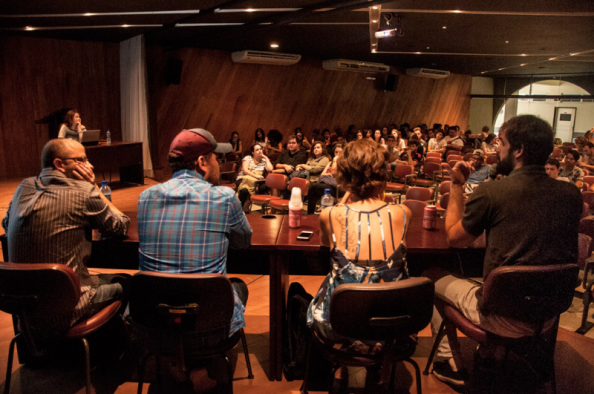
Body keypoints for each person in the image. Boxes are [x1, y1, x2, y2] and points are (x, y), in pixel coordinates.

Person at [424, 115, 583, 387]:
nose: (497, 149)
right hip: (546, 314)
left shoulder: (493, 192)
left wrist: (458, 184)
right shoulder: (571, 195)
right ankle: (492, 354)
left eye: (501, 143)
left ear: (518, 150)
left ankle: (447, 359)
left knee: (433, 276)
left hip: (501, 315)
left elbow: (454, 239)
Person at [138, 128, 252, 391]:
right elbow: (243, 242)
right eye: (216, 159)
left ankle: (181, 366)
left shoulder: (146, 197)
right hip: (209, 331)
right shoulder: (224, 197)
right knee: (236, 289)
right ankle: (199, 367)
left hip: (155, 326)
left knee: (179, 294)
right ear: (202, 162)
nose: (219, 164)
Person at [307, 138, 412, 389]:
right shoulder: (403, 213)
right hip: (393, 327)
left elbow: (325, 247)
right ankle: (378, 366)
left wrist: (350, 193)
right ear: (382, 173)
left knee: (325, 301)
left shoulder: (330, 215)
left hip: (341, 326)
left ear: (343, 175)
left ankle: (335, 371)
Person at [2, 138, 130, 332]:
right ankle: (116, 350)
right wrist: (94, 187)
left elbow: (6, 223)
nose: (90, 165)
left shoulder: (24, 187)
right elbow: (120, 226)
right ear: (59, 164)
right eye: (83, 160)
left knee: (99, 277)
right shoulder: (84, 192)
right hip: (67, 310)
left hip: (26, 310)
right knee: (128, 282)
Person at [307, 143, 344, 214]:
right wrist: (328, 174)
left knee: (314, 187)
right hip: (327, 184)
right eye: (336, 152)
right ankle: (310, 214)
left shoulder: (344, 164)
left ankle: (309, 213)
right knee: (313, 191)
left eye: (340, 152)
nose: (338, 154)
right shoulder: (330, 162)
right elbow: (322, 175)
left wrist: (335, 161)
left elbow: (334, 174)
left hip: (337, 187)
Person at [236, 143, 274, 211]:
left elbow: (270, 169)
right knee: (244, 191)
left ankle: (246, 206)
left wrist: (266, 158)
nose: (260, 151)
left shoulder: (264, 160)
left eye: (260, 149)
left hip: (256, 181)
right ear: (253, 152)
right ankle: (240, 209)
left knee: (263, 187)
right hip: (244, 178)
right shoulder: (247, 158)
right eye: (257, 150)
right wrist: (256, 176)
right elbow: (245, 170)